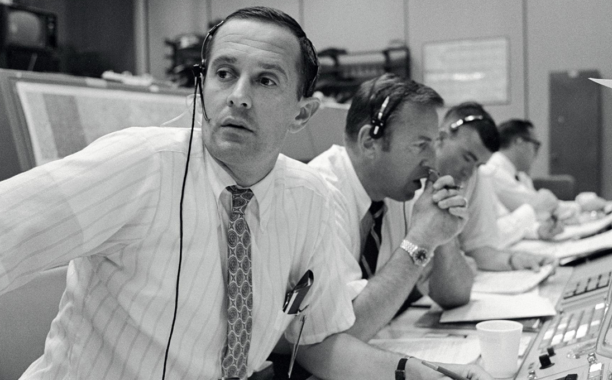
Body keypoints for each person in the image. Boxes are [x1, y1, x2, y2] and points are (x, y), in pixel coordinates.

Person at [0, 7, 492, 380]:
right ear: (202, 88)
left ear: (302, 113)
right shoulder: (140, 166)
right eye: (223, 73)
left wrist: (411, 373)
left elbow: (319, 342)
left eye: (265, 80)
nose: (237, 95)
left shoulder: (306, 198)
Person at [308, 74, 474, 341]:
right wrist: (420, 240)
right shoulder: (318, 195)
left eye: (434, 145)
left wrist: (442, 235)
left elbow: (456, 296)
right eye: (421, 146)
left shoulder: (400, 190)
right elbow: (343, 332)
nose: (432, 162)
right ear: (369, 143)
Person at [432, 102, 554, 272]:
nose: (469, 172)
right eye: (467, 158)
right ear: (441, 137)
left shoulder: (476, 176)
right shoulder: (410, 180)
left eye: (478, 164)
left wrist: (514, 260)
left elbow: (479, 249)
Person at [486, 119, 603, 224]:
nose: (536, 153)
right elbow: (539, 207)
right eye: (535, 145)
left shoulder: (519, 174)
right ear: (519, 143)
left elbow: (544, 207)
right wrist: (580, 206)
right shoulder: (494, 171)